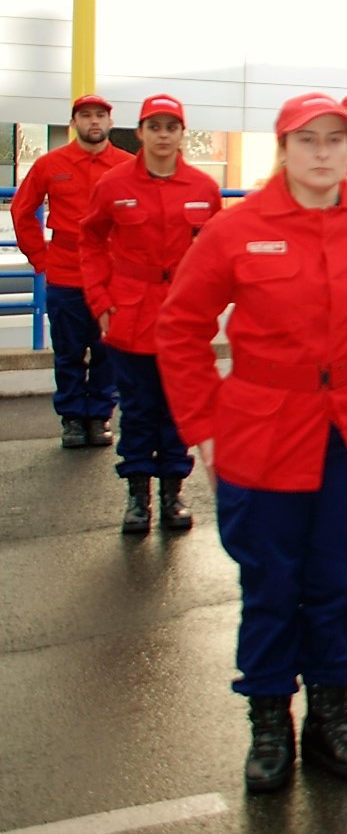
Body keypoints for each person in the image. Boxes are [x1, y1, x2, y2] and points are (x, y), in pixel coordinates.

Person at [156, 92, 347, 794]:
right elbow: (180, 327)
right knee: (272, 584)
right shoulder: (236, 229)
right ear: (282, 149)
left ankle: (331, 718)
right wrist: (205, 428)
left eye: (334, 140)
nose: (321, 152)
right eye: (305, 140)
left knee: (338, 580)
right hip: (264, 431)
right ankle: (270, 721)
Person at [78, 95, 223, 535]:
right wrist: (101, 302)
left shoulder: (203, 188)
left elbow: (220, 255)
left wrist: (209, 308)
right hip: (130, 316)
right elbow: (90, 241)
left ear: (182, 134)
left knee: (178, 409)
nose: (163, 135)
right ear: (140, 132)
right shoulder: (114, 184)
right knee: (139, 409)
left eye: (171, 127)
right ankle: (137, 497)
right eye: (154, 127)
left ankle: (173, 494)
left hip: (183, 319)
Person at [10, 94, 131, 449]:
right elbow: (22, 210)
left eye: (100, 116)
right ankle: (73, 419)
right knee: (68, 352)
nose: (94, 122)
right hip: (65, 273)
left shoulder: (127, 166)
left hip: (111, 276)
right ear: (74, 123)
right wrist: (40, 258)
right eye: (86, 115)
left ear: (110, 122)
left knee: (108, 349)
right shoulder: (51, 164)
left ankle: (100, 417)